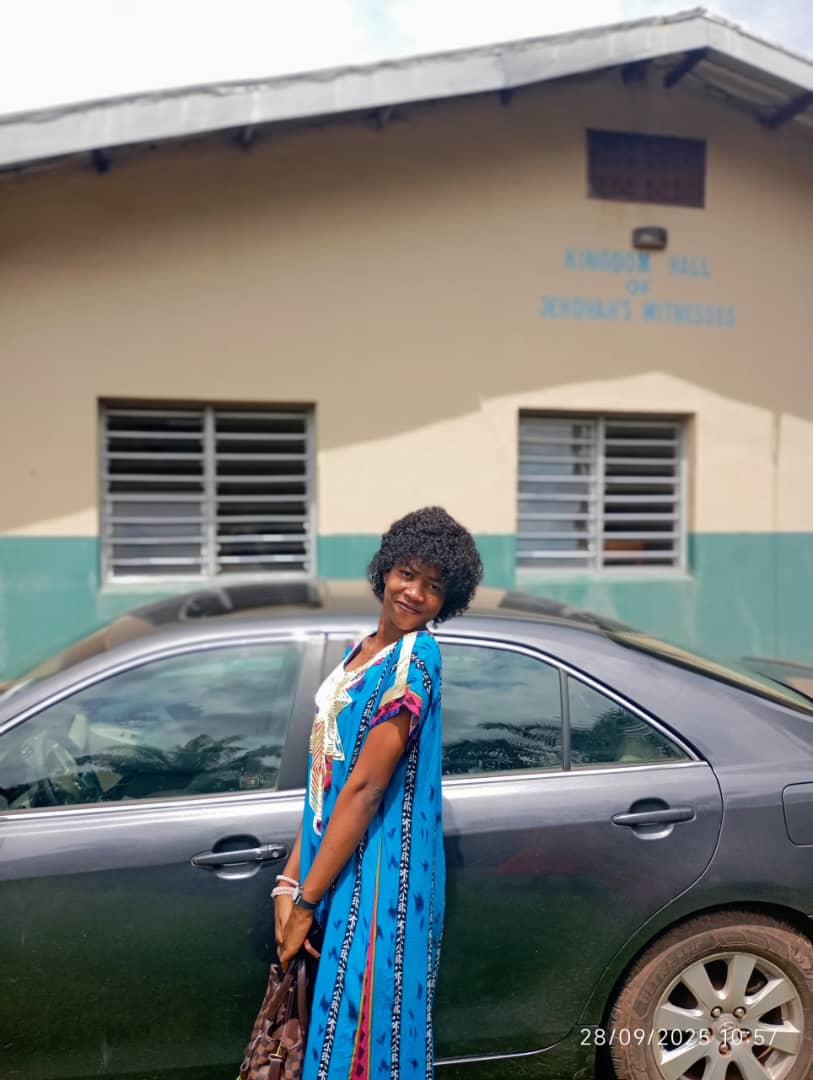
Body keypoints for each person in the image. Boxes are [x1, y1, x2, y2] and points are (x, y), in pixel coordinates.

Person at [274, 506, 482, 1080]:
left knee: (365, 1041)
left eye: (433, 586)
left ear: (448, 599)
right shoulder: (361, 652)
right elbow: (326, 783)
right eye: (407, 574)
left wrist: (305, 904)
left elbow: (365, 790)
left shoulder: (415, 662)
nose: (415, 593)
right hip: (333, 870)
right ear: (385, 570)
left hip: (379, 883)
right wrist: (288, 881)